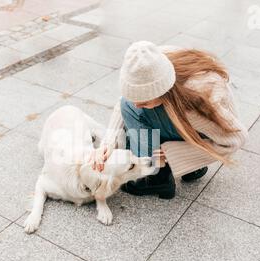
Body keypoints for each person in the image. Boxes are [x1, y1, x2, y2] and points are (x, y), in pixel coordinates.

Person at [91, 41, 248, 199]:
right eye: (135, 98)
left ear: (162, 90)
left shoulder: (195, 103)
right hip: (191, 124)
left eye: (144, 101)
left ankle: (155, 175)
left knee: (130, 108)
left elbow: (237, 139)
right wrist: (108, 143)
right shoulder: (153, 62)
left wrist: (172, 153)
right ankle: (192, 167)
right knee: (128, 104)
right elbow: (125, 100)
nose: (137, 105)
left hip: (202, 127)